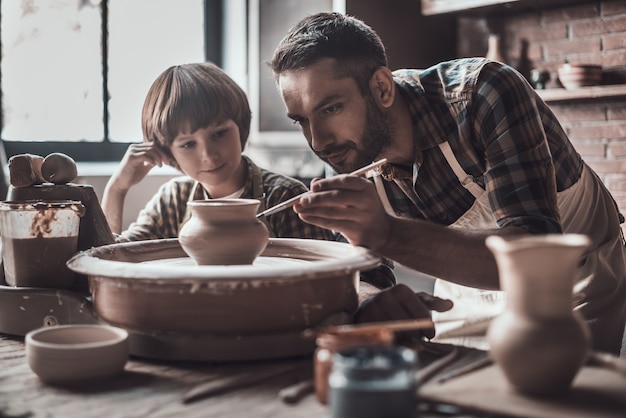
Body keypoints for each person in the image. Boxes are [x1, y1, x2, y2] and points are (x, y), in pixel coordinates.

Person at [268, 12, 626, 354]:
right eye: (302, 121)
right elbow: (365, 273)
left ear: (381, 88)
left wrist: (389, 234)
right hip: (465, 291)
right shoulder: (347, 154)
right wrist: (373, 300)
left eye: (331, 109)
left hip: (572, 284)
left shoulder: (484, 94)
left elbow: (532, 255)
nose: (318, 142)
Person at [101, 62, 334, 244]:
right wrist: (117, 189)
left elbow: (321, 280)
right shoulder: (172, 201)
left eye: (219, 134)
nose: (209, 155)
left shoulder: (285, 197)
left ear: (241, 127)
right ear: (167, 152)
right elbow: (113, 255)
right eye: (188, 144)